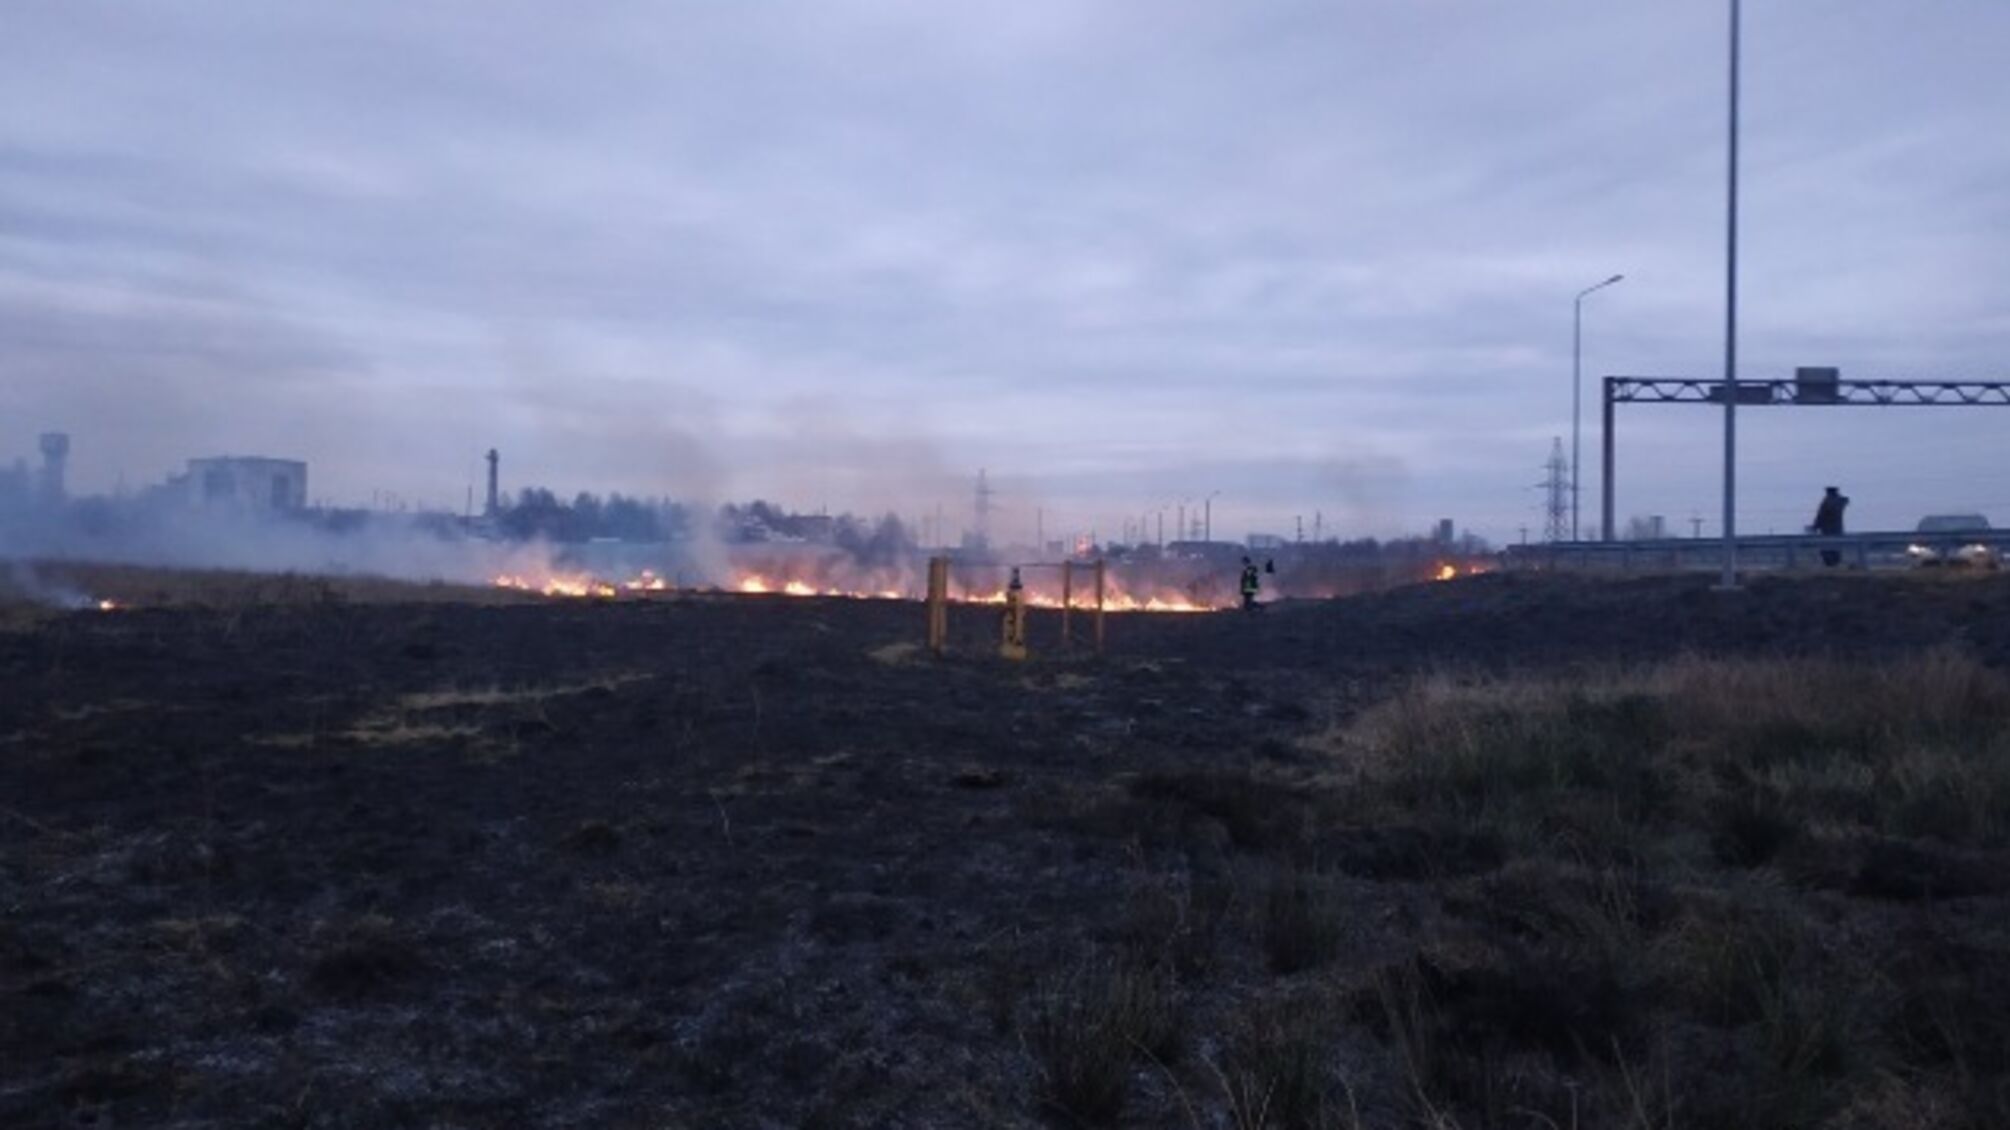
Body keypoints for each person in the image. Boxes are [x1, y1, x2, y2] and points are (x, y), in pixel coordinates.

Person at [1811, 486, 1849, 567]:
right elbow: (1845, 500)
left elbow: (1821, 516)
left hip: (1827, 530)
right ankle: (1836, 564)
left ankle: (1830, 565)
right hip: (1838, 529)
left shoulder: (1827, 502)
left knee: (1827, 549)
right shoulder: (1840, 501)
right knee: (1836, 548)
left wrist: (1814, 527)